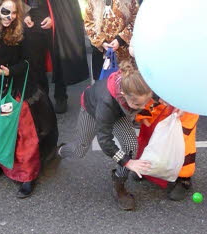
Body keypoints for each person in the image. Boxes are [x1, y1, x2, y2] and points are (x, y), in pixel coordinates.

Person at [0, 0, 58, 198]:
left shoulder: (24, 29)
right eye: (5, 12)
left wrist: (10, 71)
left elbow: (30, 62)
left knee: (24, 133)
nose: (9, 17)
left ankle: (27, 174)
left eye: (14, 12)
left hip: (18, 87)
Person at [59, 61, 154, 210]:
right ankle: (59, 151)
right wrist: (127, 162)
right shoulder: (106, 103)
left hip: (118, 111)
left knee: (131, 145)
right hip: (92, 110)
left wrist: (174, 106)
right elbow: (104, 141)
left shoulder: (138, 84)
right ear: (124, 95)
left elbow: (157, 95)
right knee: (79, 150)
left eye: (145, 103)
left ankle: (119, 185)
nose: (143, 107)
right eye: (138, 105)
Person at [18, 0, 89, 114]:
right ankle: (41, 97)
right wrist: (24, 15)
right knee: (35, 63)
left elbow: (67, 5)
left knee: (59, 61)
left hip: (55, 24)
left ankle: (60, 95)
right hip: (32, 23)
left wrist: (54, 18)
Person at [135, 97, 199, 201]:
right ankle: (147, 166)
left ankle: (183, 178)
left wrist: (186, 104)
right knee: (150, 136)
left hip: (186, 106)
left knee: (181, 143)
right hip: (158, 101)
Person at [84, 0, 138, 80]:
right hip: (101, 50)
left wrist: (120, 39)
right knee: (102, 82)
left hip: (123, 50)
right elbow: (88, 22)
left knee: (124, 82)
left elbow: (135, 20)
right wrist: (101, 42)